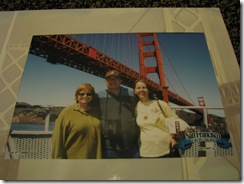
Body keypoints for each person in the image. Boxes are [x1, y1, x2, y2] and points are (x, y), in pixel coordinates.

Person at [52, 83, 102, 159]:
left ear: (93, 96)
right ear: (76, 95)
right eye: (81, 94)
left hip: (95, 160)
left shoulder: (97, 111)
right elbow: (58, 138)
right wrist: (58, 160)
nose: (85, 96)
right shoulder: (67, 112)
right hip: (73, 161)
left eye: (89, 94)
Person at [97, 70, 140, 158]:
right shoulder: (98, 96)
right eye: (109, 79)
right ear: (105, 82)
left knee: (135, 171)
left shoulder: (132, 93)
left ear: (120, 81)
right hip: (109, 147)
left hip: (131, 146)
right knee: (111, 172)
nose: (112, 81)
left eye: (115, 79)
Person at [134, 79, 179, 158]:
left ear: (148, 90)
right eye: (138, 88)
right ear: (135, 91)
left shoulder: (160, 104)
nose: (141, 90)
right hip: (145, 151)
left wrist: (173, 137)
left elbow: (174, 120)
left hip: (166, 148)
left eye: (144, 87)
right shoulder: (135, 107)